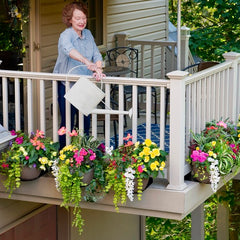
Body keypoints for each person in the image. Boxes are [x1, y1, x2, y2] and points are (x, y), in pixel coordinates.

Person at [53, 1, 105, 149]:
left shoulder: (88, 34)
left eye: (84, 18)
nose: (82, 21)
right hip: (67, 85)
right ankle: (64, 155)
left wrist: (98, 69)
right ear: (70, 19)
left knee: (85, 122)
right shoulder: (65, 35)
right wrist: (86, 61)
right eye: (77, 18)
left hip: (85, 85)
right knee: (67, 122)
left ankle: (85, 155)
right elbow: (69, 50)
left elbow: (97, 55)